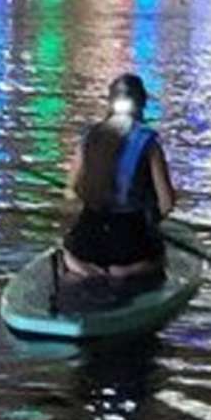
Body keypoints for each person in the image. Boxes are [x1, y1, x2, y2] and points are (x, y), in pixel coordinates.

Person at [60, 74, 177, 298]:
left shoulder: (89, 136)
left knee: (71, 250)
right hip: (130, 243)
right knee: (158, 257)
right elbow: (167, 204)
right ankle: (122, 272)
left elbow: (70, 192)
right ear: (141, 103)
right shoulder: (148, 142)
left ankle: (86, 269)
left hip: (88, 239)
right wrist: (151, 218)